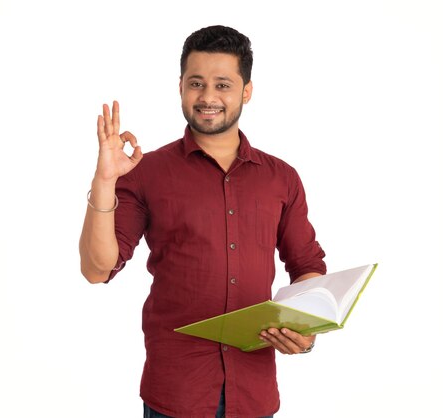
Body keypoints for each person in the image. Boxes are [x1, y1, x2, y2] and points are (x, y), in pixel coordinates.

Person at [79, 25, 326, 418]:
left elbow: (308, 268)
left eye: (223, 85)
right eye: (196, 83)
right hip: (176, 393)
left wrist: (306, 331)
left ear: (246, 91)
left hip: (254, 394)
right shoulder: (147, 172)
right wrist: (105, 180)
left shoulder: (282, 178)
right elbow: (97, 268)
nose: (208, 97)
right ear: (180, 86)